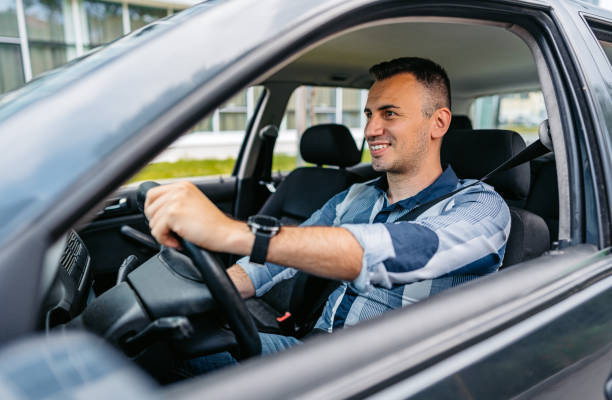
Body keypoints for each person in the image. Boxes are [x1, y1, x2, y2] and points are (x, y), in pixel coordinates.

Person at [144, 57, 511, 372]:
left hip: (390, 377)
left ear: (439, 123)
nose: (370, 129)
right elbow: (272, 263)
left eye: (390, 114)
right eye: (369, 114)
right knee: (160, 346)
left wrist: (230, 232)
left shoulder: (480, 206)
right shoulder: (356, 197)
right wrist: (202, 293)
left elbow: (407, 249)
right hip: (315, 354)